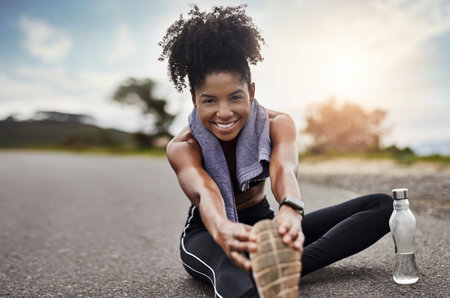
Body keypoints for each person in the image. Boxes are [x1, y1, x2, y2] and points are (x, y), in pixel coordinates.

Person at [159, 5, 393, 298]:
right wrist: (221, 228)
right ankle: (264, 273)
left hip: (265, 226)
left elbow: (283, 169)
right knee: (236, 277)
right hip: (208, 234)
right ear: (194, 100)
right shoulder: (183, 146)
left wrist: (291, 210)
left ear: (252, 92)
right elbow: (206, 192)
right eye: (209, 100)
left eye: (235, 97)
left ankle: (285, 266)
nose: (224, 112)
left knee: (383, 206)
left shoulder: (277, 124)